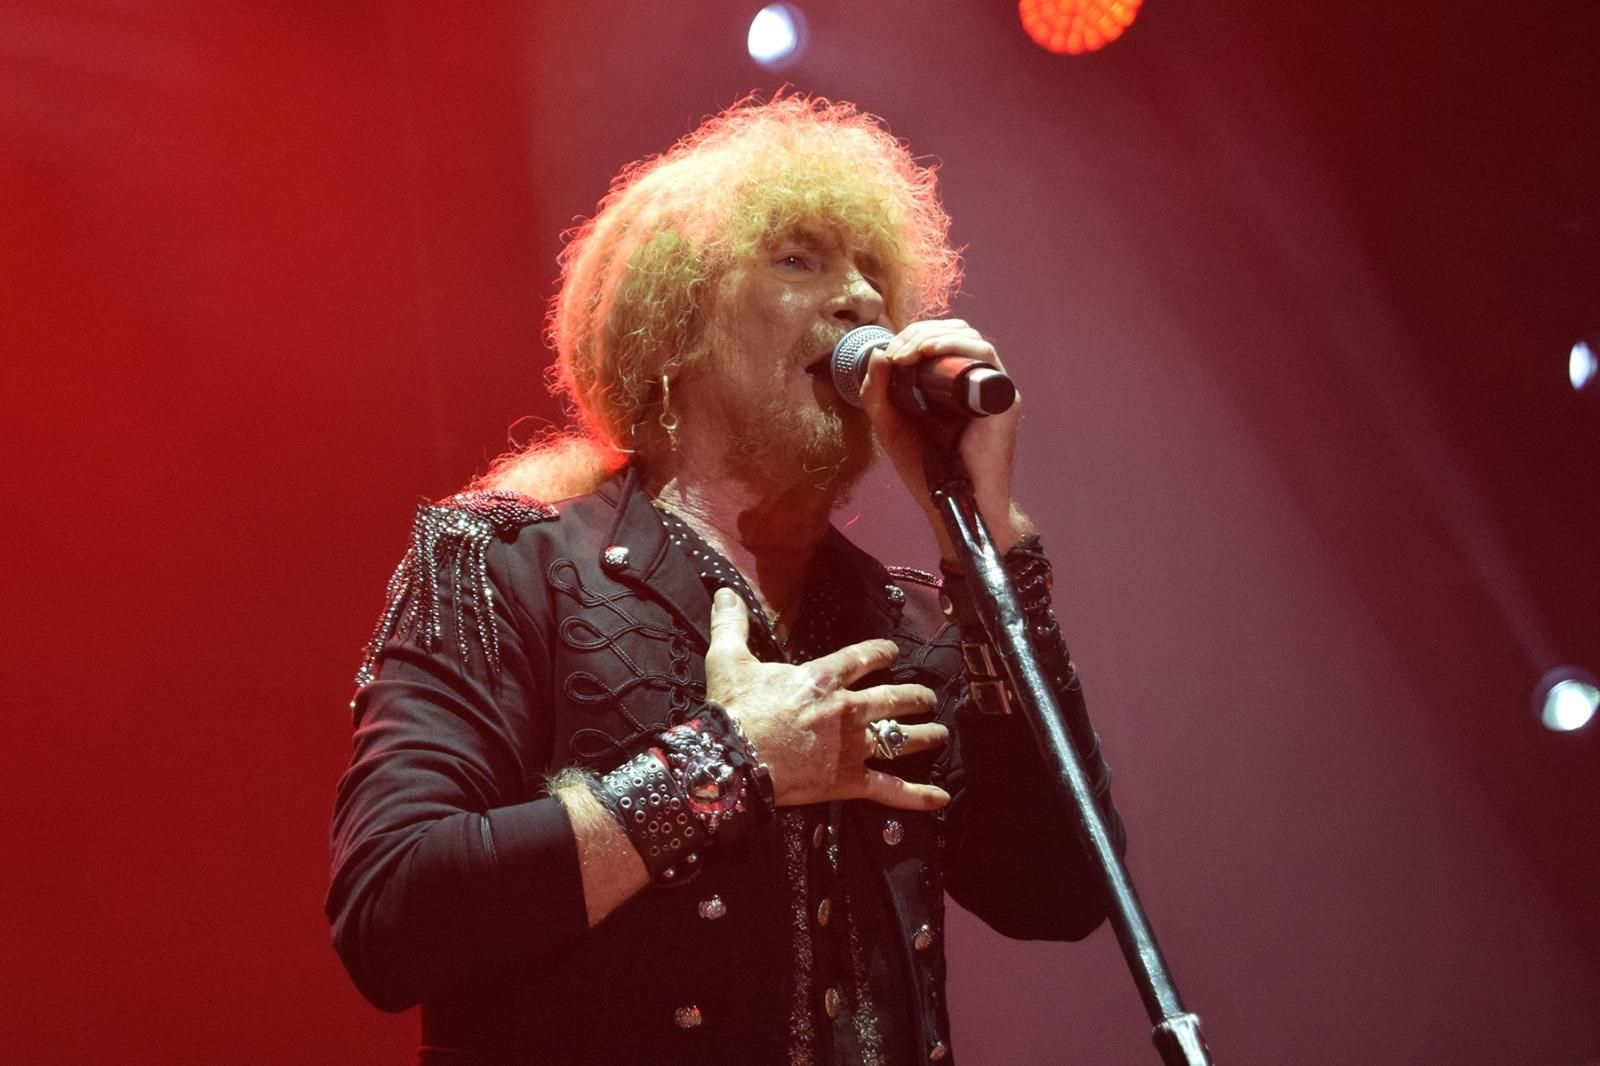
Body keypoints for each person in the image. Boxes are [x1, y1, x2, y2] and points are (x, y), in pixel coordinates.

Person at [327, 94, 1124, 1066]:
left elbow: (1060, 893)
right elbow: (392, 913)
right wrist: (727, 764)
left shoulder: (905, 620)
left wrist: (987, 546)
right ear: (673, 326)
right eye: (798, 260)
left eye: (873, 271)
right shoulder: (504, 564)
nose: (861, 301)